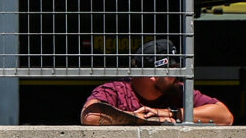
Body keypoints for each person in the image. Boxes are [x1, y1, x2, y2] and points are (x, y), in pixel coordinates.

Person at [81, 40, 232, 125]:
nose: (179, 76)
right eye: (172, 70)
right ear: (152, 74)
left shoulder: (178, 90)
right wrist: (146, 119)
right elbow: (90, 116)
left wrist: (170, 113)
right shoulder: (116, 90)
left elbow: (225, 116)